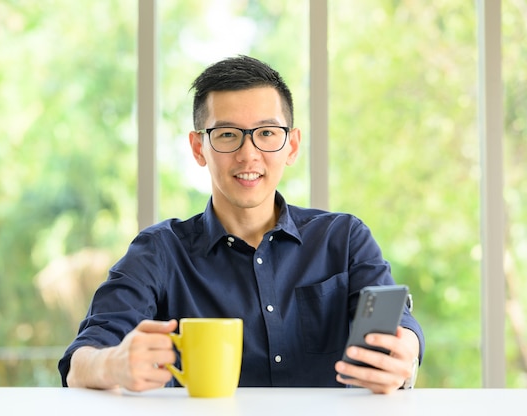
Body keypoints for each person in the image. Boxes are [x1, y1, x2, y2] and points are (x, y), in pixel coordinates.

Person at [58, 55, 424, 394]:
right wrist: (113, 363)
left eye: (266, 133)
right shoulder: (159, 251)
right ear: (199, 148)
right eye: (228, 135)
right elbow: (80, 364)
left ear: (292, 145)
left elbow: (397, 329)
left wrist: (405, 351)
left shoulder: (343, 239)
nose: (248, 154)